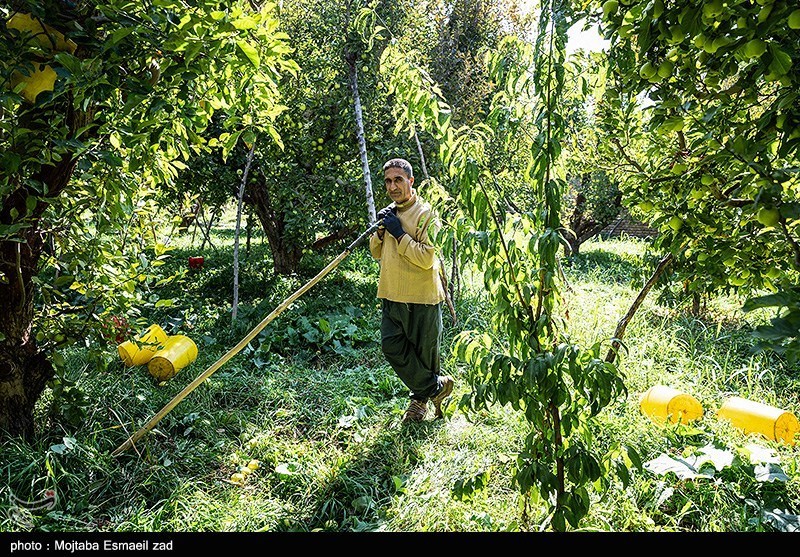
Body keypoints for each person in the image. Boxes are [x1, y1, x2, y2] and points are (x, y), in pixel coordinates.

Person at [369, 158, 454, 423]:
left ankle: (419, 405)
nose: (392, 186)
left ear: (411, 181)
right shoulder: (389, 213)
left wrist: (399, 234)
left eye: (398, 180)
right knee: (391, 346)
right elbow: (375, 253)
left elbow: (427, 258)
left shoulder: (427, 214)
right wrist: (381, 231)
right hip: (391, 293)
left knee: (424, 355)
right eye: (388, 181)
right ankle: (436, 388)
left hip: (422, 297)